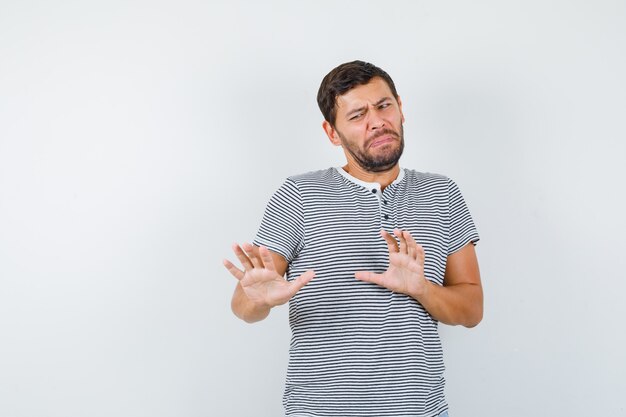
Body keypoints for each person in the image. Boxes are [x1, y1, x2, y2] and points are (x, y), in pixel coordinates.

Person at [223, 60, 482, 417]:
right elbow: (244, 307)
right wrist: (258, 299)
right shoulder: (299, 194)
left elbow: (471, 310)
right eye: (358, 115)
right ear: (332, 133)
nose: (377, 121)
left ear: (401, 108)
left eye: (384, 105)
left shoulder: (442, 193)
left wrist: (422, 289)